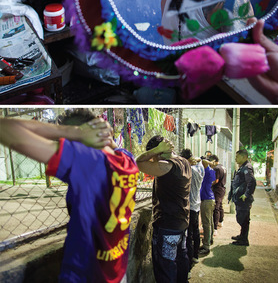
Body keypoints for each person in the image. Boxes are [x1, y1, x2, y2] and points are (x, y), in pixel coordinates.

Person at [0, 110, 138, 282]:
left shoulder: (87, 159)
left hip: (85, 274)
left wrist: (71, 132)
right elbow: (119, 149)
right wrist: (106, 139)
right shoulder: (127, 160)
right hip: (117, 270)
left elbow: (5, 128)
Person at [136, 135, 191, 283]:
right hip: (182, 223)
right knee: (180, 260)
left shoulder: (167, 166)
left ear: (158, 153)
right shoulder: (184, 162)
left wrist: (157, 150)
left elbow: (138, 162)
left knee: (165, 267)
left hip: (167, 226)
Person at [228, 149, 256, 246]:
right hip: (239, 199)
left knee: (243, 219)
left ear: (244, 157)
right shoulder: (242, 167)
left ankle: (244, 240)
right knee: (242, 218)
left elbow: (252, 182)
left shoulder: (247, 168)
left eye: (237, 157)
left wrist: (246, 194)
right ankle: (242, 236)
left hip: (243, 200)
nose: (235, 159)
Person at [181, 148, 204, 266]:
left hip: (189, 205)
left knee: (188, 235)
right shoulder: (200, 168)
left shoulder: (189, 170)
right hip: (197, 203)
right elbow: (200, 161)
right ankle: (195, 255)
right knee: (195, 232)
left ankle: (189, 262)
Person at [199, 158, 216, 255]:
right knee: (210, 222)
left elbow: (204, 162)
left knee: (206, 223)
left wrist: (208, 162)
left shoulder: (208, 170)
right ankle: (210, 240)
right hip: (209, 199)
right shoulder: (211, 171)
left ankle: (206, 246)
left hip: (206, 200)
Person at [210, 154, 227, 231]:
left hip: (217, 189)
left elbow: (216, 180)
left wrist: (208, 184)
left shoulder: (216, 168)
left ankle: (215, 228)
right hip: (222, 189)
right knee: (220, 206)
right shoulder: (222, 167)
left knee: (216, 208)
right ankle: (221, 221)